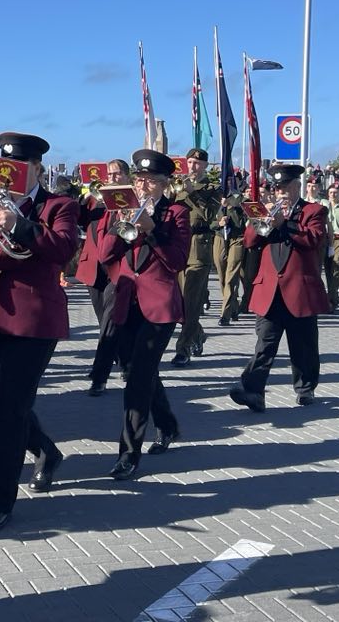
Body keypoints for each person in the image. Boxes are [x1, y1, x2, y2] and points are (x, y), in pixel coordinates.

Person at [0, 132, 77, 533]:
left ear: (36, 168)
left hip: (32, 321)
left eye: (18, 168)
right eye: (3, 167)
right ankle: (46, 451)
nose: (8, 176)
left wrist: (20, 225)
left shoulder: (58, 205)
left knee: (7, 410)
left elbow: (63, 249)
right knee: (0, 401)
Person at [97, 149, 190, 480]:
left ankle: (128, 453)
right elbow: (104, 254)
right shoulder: (120, 209)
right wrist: (118, 224)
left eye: (150, 181)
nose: (142, 186)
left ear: (164, 184)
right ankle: (167, 423)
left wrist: (152, 230)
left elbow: (177, 260)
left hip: (159, 305)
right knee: (138, 370)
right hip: (126, 302)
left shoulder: (176, 213)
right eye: (139, 180)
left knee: (137, 378)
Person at [229, 164, 330, 412]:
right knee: (264, 343)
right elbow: (250, 242)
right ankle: (252, 391)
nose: (280, 193)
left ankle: (305, 389)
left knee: (303, 345)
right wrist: (260, 221)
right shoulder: (266, 210)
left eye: (285, 187)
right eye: (277, 188)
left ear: (297, 186)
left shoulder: (314, 210)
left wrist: (285, 224)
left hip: (299, 289)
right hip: (270, 290)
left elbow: (314, 239)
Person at [75, 159, 130, 395]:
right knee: (105, 321)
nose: (112, 178)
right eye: (110, 174)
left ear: (127, 176)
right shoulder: (94, 201)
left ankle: (99, 376)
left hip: (118, 268)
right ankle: (125, 362)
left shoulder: (131, 200)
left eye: (117, 174)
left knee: (110, 321)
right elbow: (77, 220)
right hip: (94, 267)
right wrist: (88, 197)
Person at [170, 148, 220, 366]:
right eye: (190, 162)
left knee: (191, 304)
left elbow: (210, 216)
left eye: (197, 163)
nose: (192, 166)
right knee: (178, 303)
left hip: (198, 249)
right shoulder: (177, 186)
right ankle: (197, 335)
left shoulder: (212, 189)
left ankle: (183, 349)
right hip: (177, 248)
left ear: (205, 166)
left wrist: (193, 193)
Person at [213, 190, 246, 325]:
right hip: (220, 237)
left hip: (237, 238)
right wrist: (219, 223)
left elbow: (241, 223)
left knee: (231, 276)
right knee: (222, 277)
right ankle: (233, 307)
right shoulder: (213, 196)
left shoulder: (240, 199)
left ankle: (225, 315)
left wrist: (230, 207)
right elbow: (207, 222)